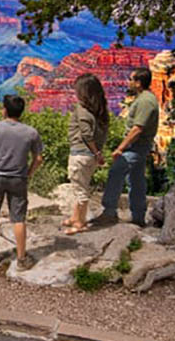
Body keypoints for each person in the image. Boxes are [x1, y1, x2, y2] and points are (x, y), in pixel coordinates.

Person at [0, 94, 43, 269]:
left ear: (4, 110)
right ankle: (21, 259)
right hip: (18, 179)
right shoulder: (31, 132)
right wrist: (29, 173)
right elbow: (39, 158)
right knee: (18, 218)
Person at [94, 67, 159, 227]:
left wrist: (120, 148)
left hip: (135, 147)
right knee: (136, 180)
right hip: (139, 147)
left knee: (116, 173)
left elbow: (137, 128)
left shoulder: (145, 101)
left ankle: (109, 212)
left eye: (131, 79)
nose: (128, 82)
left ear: (138, 82)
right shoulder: (145, 98)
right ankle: (138, 216)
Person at [63, 73, 109, 235]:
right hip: (90, 156)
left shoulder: (82, 109)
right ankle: (75, 217)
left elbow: (86, 134)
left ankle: (79, 224)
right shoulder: (100, 110)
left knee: (80, 190)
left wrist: (96, 152)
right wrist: (97, 153)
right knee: (81, 186)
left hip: (81, 154)